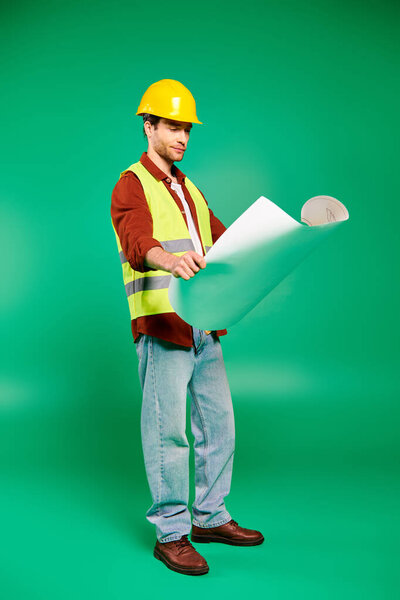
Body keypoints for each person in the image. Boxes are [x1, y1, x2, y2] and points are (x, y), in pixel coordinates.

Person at [110, 79, 264, 576]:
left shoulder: (187, 186)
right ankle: (172, 533)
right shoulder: (132, 183)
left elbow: (224, 239)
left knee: (220, 425)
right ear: (148, 125)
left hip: (204, 326)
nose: (182, 136)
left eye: (187, 128)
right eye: (172, 126)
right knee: (168, 434)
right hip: (163, 326)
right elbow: (138, 241)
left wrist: (274, 245)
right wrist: (169, 260)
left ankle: (211, 517)